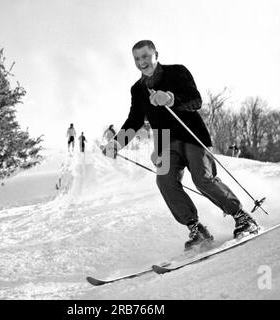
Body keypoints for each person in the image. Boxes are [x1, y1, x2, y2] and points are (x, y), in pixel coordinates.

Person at [102, 40, 259, 250]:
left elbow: (196, 100)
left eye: (146, 56)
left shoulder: (177, 72)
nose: (142, 62)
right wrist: (116, 144)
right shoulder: (137, 90)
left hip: (192, 134)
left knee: (202, 179)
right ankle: (197, 229)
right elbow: (134, 120)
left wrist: (170, 98)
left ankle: (242, 217)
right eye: (137, 59)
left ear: (156, 54)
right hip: (165, 141)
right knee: (165, 181)